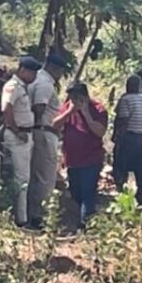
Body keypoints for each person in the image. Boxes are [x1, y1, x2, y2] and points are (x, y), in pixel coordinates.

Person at [52, 81, 108, 229]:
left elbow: (100, 132)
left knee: (88, 192)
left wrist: (86, 114)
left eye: (76, 98)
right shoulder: (67, 108)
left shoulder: (98, 109)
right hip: (72, 159)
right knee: (76, 192)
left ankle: (86, 225)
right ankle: (83, 220)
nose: (74, 101)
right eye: (71, 98)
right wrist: (69, 112)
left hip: (91, 159)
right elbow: (54, 125)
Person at [26, 52, 69, 229]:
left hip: (40, 131)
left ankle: (35, 213)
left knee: (38, 175)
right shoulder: (45, 84)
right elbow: (39, 107)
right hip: (44, 131)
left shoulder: (37, 80)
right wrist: (39, 125)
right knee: (45, 176)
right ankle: (40, 217)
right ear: (54, 68)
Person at [1, 56, 42, 228]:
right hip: (18, 137)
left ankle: (23, 215)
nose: (34, 76)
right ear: (23, 70)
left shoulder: (22, 87)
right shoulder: (13, 86)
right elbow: (6, 108)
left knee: (24, 177)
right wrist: (17, 131)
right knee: (21, 179)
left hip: (25, 136)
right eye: (32, 72)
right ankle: (21, 219)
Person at [112, 74, 142, 204]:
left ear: (129, 86)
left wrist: (118, 139)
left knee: (120, 167)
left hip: (129, 138)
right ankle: (140, 199)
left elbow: (123, 121)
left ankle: (122, 197)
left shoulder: (126, 99)